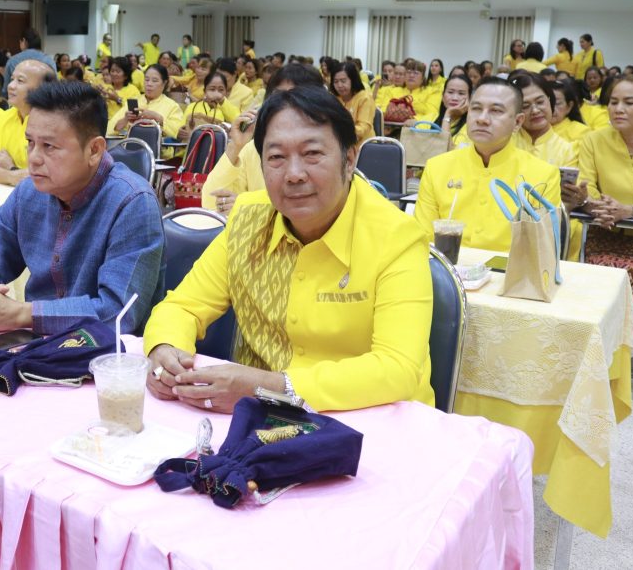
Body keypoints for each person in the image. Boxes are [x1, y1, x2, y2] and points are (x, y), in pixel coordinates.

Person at [144, 86, 433, 412]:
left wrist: (268, 389)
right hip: (260, 423)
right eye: (277, 158)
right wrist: (165, 349)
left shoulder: (397, 237)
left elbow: (397, 367)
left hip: (372, 418)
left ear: (349, 159)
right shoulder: (247, 221)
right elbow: (182, 307)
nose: (294, 174)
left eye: (312, 154)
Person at [0, 80, 164, 335]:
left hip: (109, 352)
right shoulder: (28, 192)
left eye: (49, 146)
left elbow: (118, 313)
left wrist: (22, 314)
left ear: (94, 150)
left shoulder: (132, 202)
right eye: (30, 142)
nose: (33, 158)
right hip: (35, 342)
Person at [563, 75, 633, 349]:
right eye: (613, 102)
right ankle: (594, 347)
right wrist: (591, 204)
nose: (618, 109)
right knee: (595, 276)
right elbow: (588, 187)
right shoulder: (593, 140)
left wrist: (628, 211)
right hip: (604, 230)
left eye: (629, 102)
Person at [414, 78, 561, 251]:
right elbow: (422, 238)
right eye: (476, 109)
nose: (482, 119)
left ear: (517, 122)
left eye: (496, 111)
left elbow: (541, 249)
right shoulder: (437, 167)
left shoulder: (543, 175)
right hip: (446, 266)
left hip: (509, 267)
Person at [202, 63, 325, 214]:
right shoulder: (254, 148)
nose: (285, 107)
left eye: (296, 98)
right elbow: (210, 202)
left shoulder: (325, 148)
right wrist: (236, 146)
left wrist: (246, 203)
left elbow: (308, 205)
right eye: (278, 98)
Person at [0, 59, 55, 185]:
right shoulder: (5, 117)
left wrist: (11, 168)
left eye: (20, 81)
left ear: (41, 89)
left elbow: (48, 174)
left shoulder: (53, 121)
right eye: (12, 79)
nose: (10, 86)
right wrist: (13, 176)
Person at [511, 72, 577, 168]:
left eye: (540, 102)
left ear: (550, 101)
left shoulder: (567, 151)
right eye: (525, 106)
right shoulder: (504, 142)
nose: (535, 111)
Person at [108, 63, 183, 139]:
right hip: (131, 144)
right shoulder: (135, 101)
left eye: (154, 81)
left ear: (164, 83)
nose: (149, 84)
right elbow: (109, 128)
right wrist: (124, 120)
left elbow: (178, 133)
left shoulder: (172, 106)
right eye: (146, 80)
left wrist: (159, 119)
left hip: (158, 146)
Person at [180, 72, 239, 138]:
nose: (216, 93)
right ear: (205, 91)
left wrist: (222, 101)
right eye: (212, 89)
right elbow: (182, 127)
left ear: (226, 92)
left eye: (221, 90)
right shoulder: (192, 107)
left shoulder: (229, 108)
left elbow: (237, 121)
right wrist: (180, 132)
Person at [330, 61, 375, 143]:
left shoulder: (365, 98)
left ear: (353, 80)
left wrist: (338, 132)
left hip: (362, 146)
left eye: (343, 81)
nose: (339, 85)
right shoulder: (333, 98)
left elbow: (363, 128)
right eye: (336, 82)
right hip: (338, 143)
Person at [550, 79, 591, 148]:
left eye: (557, 103)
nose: (551, 108)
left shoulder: (581, 131)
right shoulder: (534, 130)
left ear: (569, 106)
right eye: (547, 103)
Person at [434, 74, 473, 146]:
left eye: (461, 93)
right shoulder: (431, 118)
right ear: (443, 96)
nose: (455, 98)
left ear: (470, 98)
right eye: (450, 92)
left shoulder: (471, 127)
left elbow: (445, 147)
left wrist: (448, 114)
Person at [99, 56, 141, 120]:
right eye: (112, 71)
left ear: (126, 75)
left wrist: (117, 99)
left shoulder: (133, 90)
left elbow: (134, 113)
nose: (114, 74)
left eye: (118, 72)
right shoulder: (107, 88)